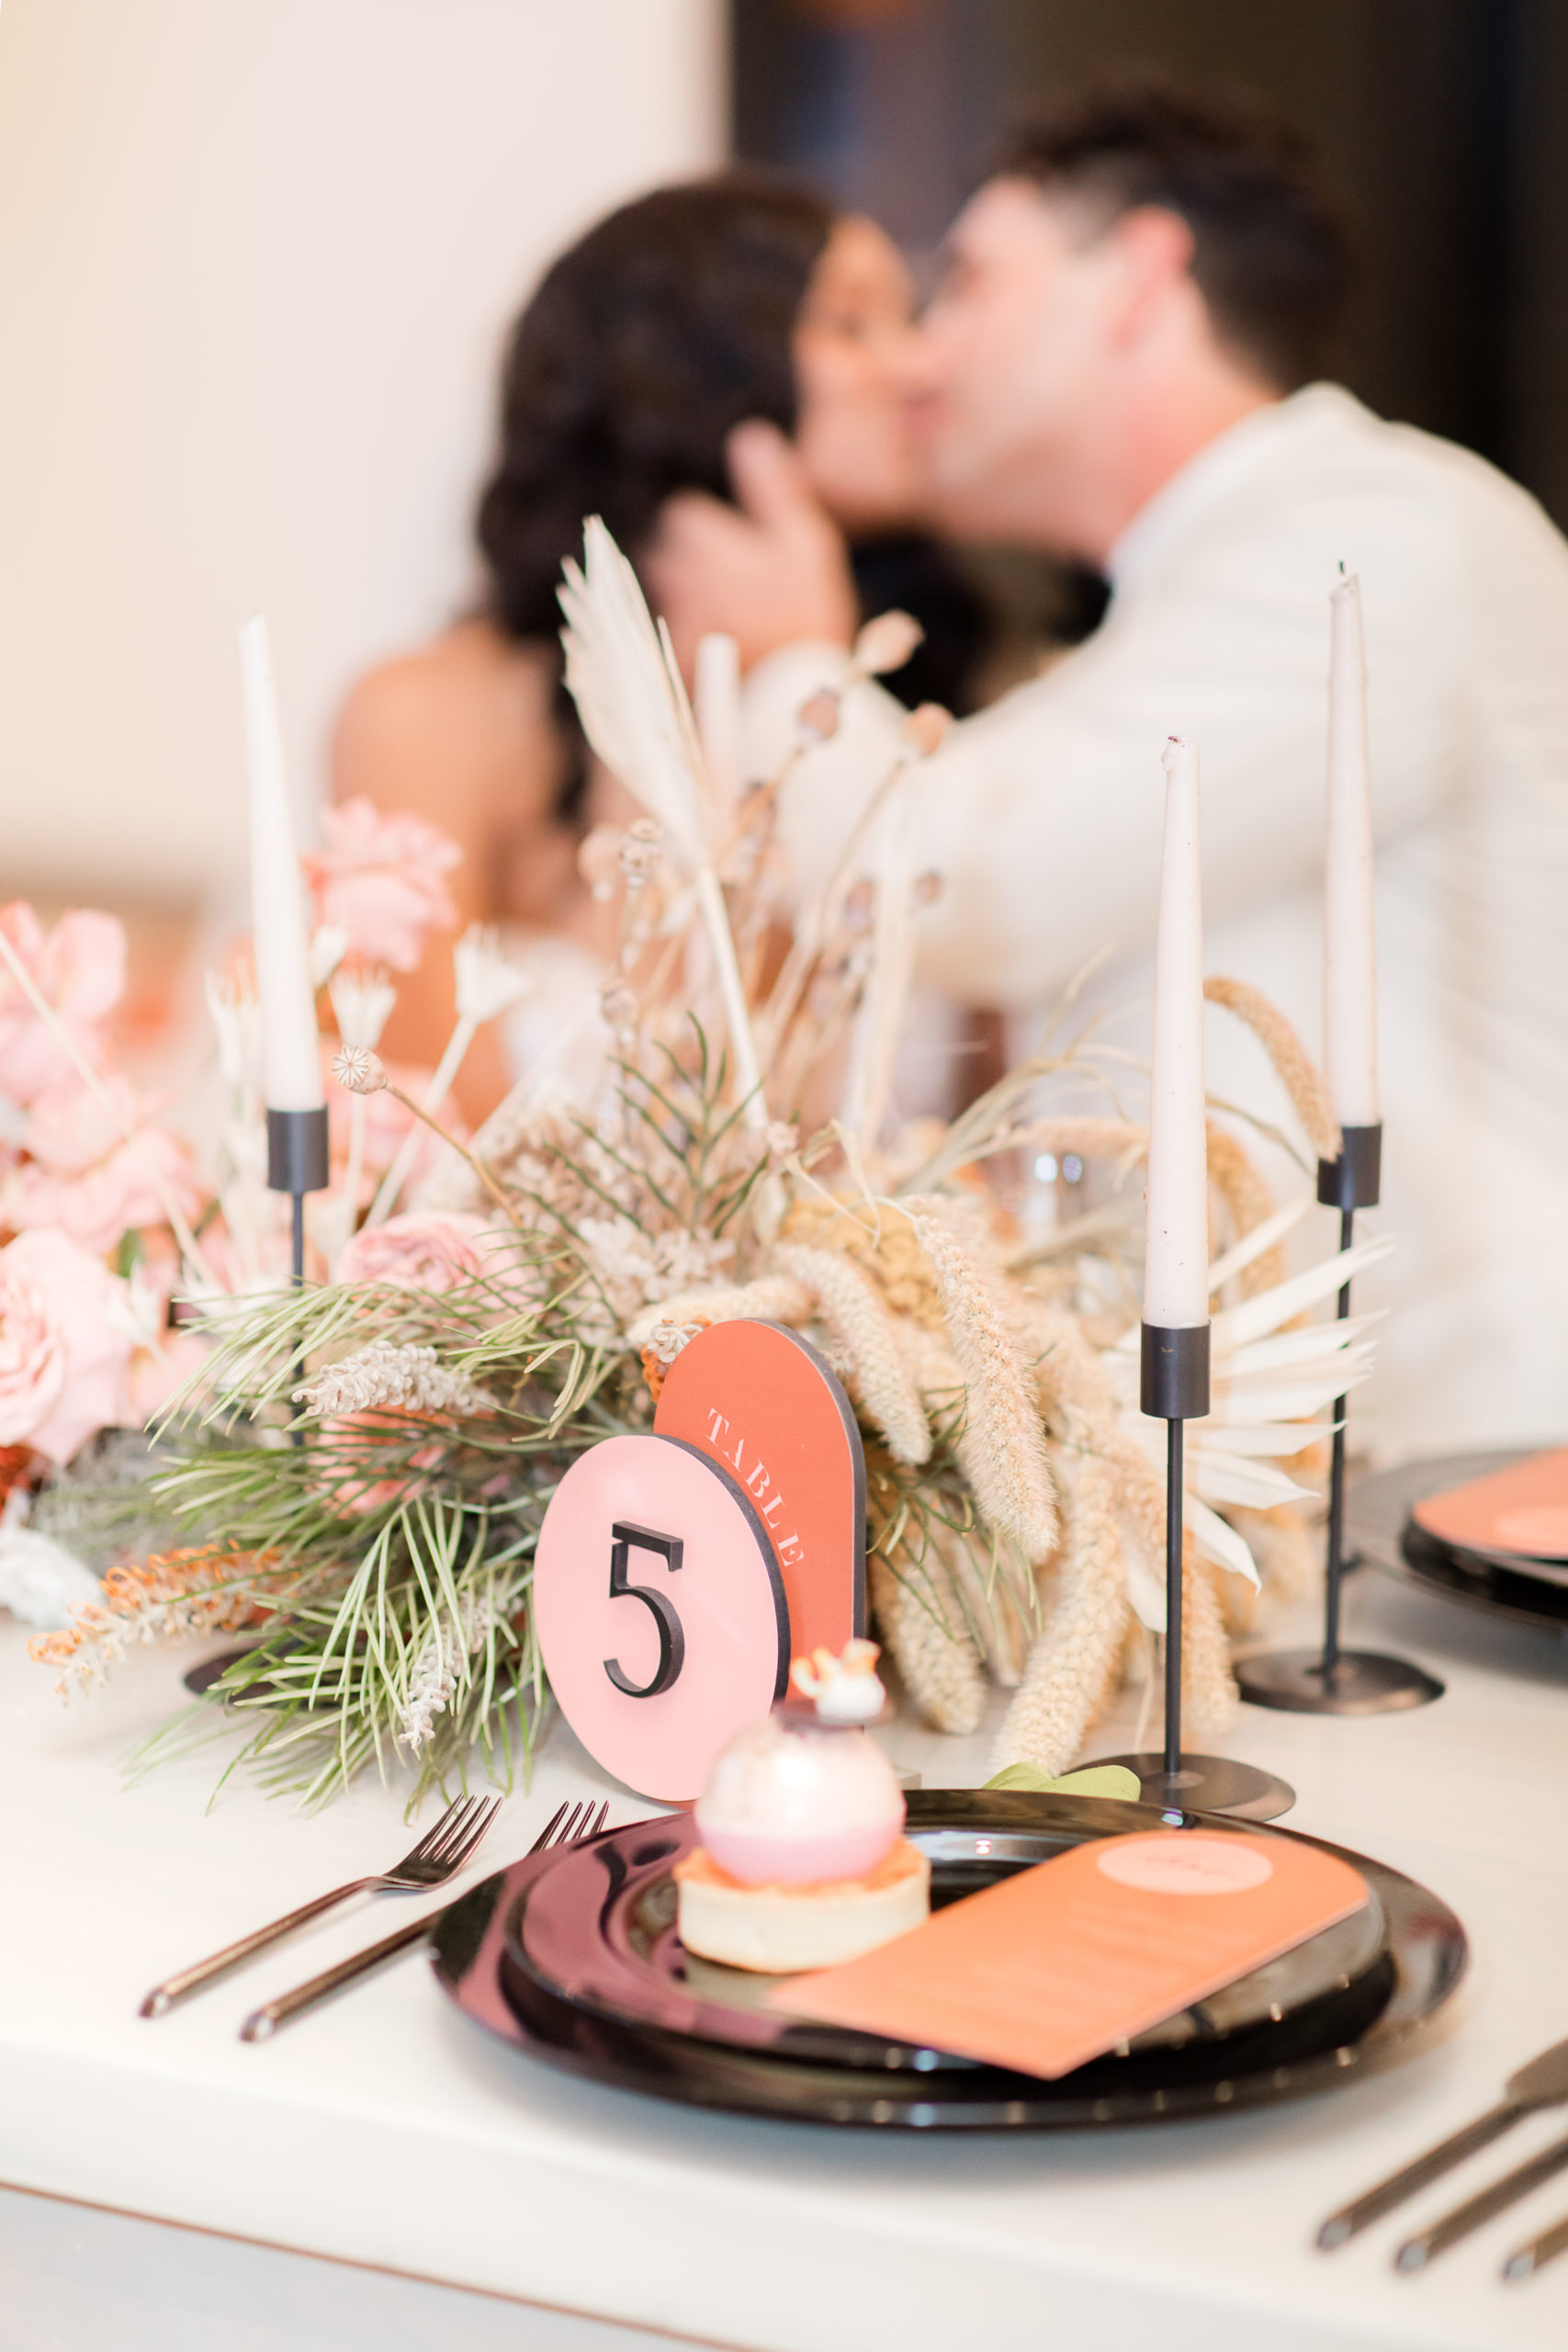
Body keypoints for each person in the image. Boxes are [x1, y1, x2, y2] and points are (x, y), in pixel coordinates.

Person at [647, 77, 1568, 1456]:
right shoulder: (1180, 607)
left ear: (1136, 278)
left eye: (963, 282)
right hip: (1309, 1441)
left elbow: (975, 884)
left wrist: (788, 661)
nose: (921, 357)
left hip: (1454, 1458)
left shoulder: (1370, 539)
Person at [332, 173, 990, 1123]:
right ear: (688, 367)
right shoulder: (432, 716)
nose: (919, 367)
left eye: (909, 320)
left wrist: (809, 672)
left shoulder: (929, 714)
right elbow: (421, 1137)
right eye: (852, 326)